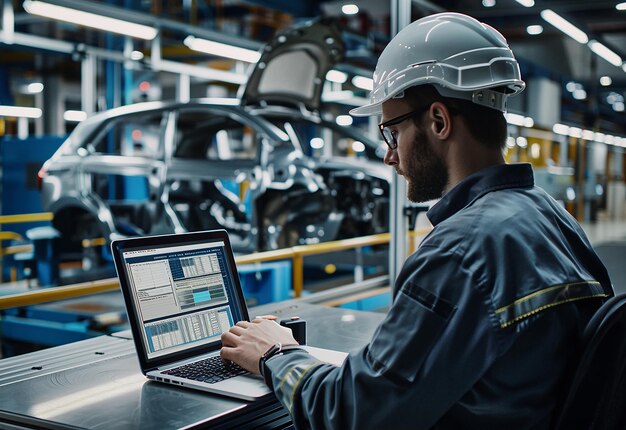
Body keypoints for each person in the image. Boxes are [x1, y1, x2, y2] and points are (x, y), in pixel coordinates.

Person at [220, 12, 613, 429]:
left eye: (392, 131)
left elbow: (351, 415)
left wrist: (277, 354)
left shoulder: (460, 252)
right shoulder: (552, 218)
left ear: (438, 121)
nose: (390, 155)